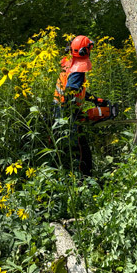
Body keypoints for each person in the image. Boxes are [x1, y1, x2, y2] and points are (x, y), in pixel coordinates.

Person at [54, 35, 109, 177]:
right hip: (68, 114)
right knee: (80, 153)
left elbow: (78, 91)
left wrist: (96, 100)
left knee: (68, 151)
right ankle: (82, 183)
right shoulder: (78, 70)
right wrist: (82, 115)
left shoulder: (68, 64)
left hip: (59, 112)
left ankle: (72, 179)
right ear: (86, 51)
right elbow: (71, 92)